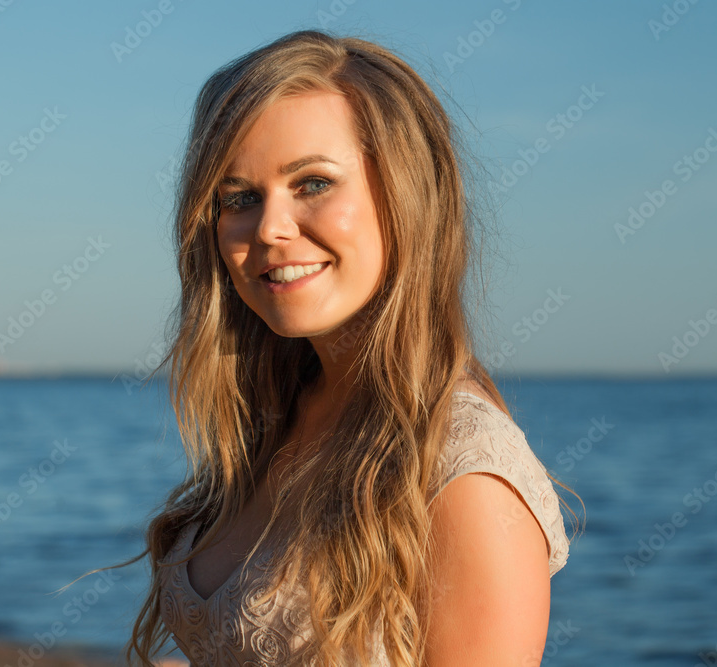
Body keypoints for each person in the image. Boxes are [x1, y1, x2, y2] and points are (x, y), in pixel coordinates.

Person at [110, 29, 581, 666]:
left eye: (311, 183)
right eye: (240, 198)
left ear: (408, 196)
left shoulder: (464, 471)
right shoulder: (281, 416)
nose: (270, 228)